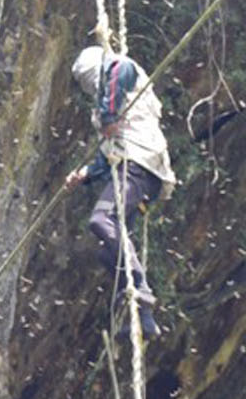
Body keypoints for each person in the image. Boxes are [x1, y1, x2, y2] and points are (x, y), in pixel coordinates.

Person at [62, 45, 175, 337]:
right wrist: (85, 174)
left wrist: (109, 117)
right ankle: (140, 315)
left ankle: (140, 288)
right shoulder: (117, 100)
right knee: (107, 252)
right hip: (139, 169)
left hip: (138, 165)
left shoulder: (119, 68)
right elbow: (109, 153)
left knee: (102, 221)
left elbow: (117, 69)